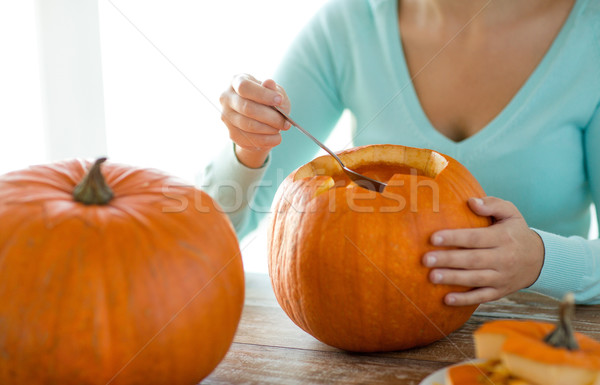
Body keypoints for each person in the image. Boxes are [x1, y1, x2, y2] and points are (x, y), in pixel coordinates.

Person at [203, 0, 600, 306]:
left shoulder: (591, 32)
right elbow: (208, 232)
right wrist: (248, 148)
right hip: (369, 351)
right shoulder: (350, 23)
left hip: (543, 351)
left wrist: (540, 260)